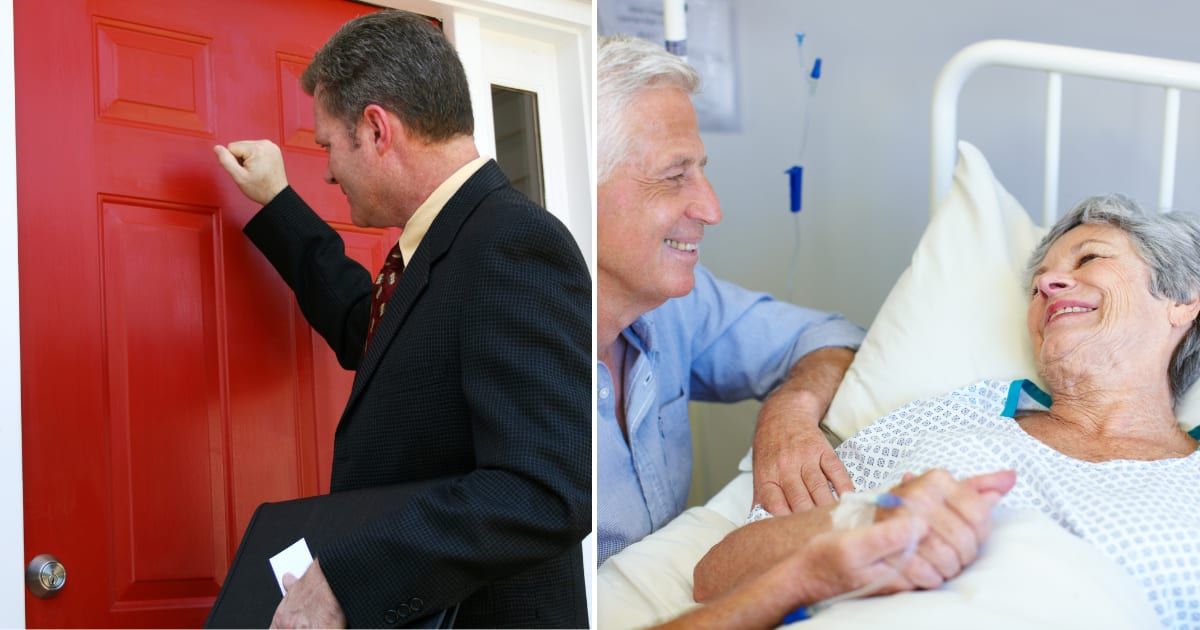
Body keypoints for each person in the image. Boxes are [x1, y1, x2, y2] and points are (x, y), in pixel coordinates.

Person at [212, 10, 590, 628]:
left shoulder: (514, 244)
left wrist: (345, 579)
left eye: (328, 145)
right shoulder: (447, 245)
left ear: (377, 129)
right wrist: (279, 205)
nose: (329, 170)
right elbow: (371, 330)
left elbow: (543, 491)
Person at [694, 194, 1200, 628]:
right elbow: (720, 575)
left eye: (1089, 259)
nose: (1048, 286)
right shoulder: (951, 419)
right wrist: (869, 522)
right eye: (1036, 284)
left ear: (1181, 301)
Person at [596, 33, 867, 566]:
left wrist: (789, 411)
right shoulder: (510, 373)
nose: (712, 208)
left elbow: (831, 336)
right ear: (579, 182)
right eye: (676, 176)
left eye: (702, 170)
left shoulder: (675, 309)